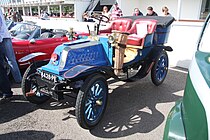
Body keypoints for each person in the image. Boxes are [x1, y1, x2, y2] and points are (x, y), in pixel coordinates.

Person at [0, 9, 22, 84]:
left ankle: (18, 80)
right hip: (5, 36)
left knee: (11, 60)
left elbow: (0, 25)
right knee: (10, 60)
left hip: (4, 37)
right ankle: (18, 80)